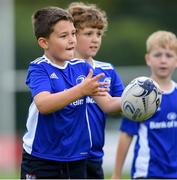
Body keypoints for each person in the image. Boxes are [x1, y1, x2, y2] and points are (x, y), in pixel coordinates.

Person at [20, 6, 122, 179]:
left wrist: (135, 100)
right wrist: (81, 90)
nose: (72, 40)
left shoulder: (83, 68)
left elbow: (108, 104)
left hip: (77, 158)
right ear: (44, 42)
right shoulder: (39, 68)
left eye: (73, 34)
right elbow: (44, 104)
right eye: (63, 36)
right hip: (42, 158)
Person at [67, 2, 124, 179]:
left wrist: (141, 101)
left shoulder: (107, 70)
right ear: (73, 36)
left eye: (99, 34)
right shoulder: (61, 69)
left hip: (95, 157)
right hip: (66, 157)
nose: (95, 39)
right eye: (89, 33)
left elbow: (120, 104)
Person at [112, 30, 177, 179]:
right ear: (148, 59)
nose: (163, 60)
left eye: (169, 55)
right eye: (158, 55)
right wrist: (116, 174)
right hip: (147, 173)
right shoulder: (138, 95)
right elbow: (126, 135)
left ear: (176, 60)